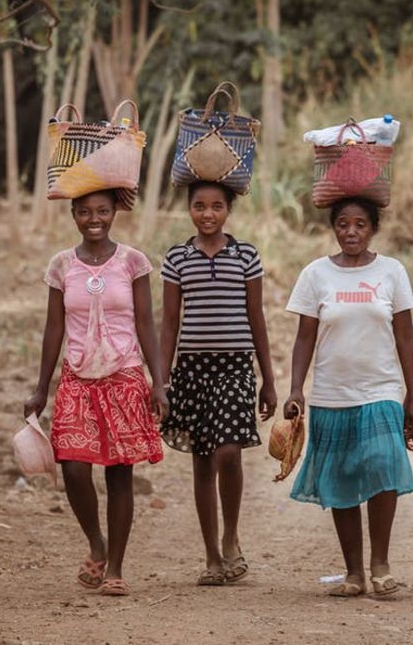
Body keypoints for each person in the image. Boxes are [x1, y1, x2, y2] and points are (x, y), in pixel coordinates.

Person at [24, 189, 169, 598]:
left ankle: (116, 567)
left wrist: (158, 382)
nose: (94, 219)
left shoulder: (133, 261)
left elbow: (146, 323)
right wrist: (40, 388)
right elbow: (54, 328)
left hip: (123, 377)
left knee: (120, 472)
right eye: (85, 211)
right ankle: (96, 543)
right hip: (77, 378)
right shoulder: (61, 266)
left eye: (102, 211)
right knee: (72, 465)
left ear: (114, 213)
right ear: (73, 214)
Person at [284, 196, 413, 598]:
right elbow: (304, 338)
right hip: (331, 393)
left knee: (382, 466)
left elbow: (405, 338)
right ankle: (354, 572)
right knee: (341, 478)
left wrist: (412, 396)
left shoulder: (392, 272)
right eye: (343, 224)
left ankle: (380, 563)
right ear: (334, 228)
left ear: (373, 228)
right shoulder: (315, 274)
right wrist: (295, 388)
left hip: (380, 389)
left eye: (360, 224)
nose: (351, 232)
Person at [159, 180, 277, 586]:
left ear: (229, 209)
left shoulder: (245, 255)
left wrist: (269, 379)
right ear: (189, 209)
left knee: (229, 451)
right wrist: (161, 380)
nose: (207, 214)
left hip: (235, 367)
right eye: (199, 206)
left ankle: (231, 536)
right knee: (202, 460)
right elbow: (169, 323)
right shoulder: (178, 258)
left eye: (215, 206)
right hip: (192, 369)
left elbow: (256, 317)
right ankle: (211, 555)